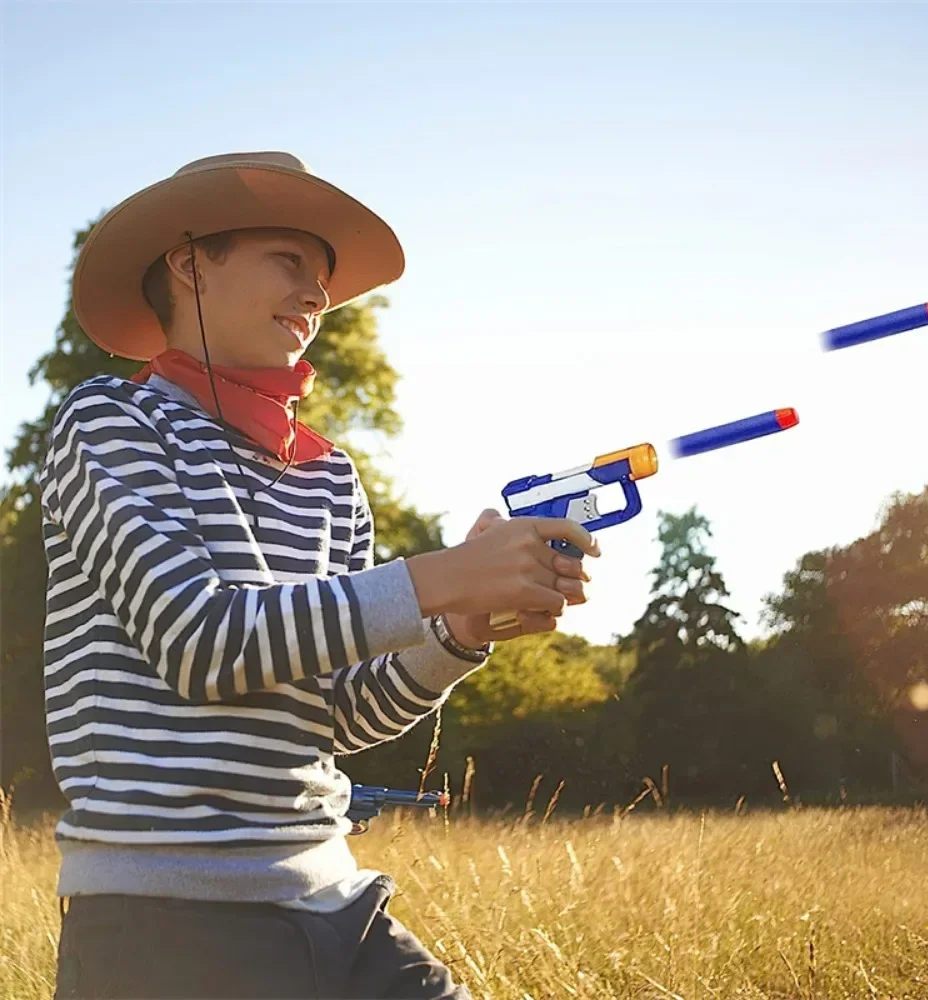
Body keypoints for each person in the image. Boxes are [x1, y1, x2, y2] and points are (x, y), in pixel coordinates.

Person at [43, 151, 600, 999]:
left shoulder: (330, 478)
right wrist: (439, 578)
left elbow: (338, 711)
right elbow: (202, 644)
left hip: (334, 899)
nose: (317, 295)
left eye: (324, 280)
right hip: (165, 921)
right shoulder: (109, 420)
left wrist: (457, 633)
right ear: (191, 261)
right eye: (289, 261)